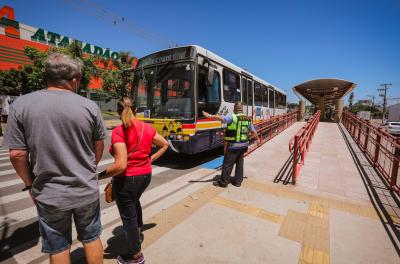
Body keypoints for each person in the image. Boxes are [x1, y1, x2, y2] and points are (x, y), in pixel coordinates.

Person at [3, 53, 106, 263]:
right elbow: (99, 145)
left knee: (58, 247)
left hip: (49, 194)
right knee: (92, 238)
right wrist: (87, 169)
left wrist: (30, 185)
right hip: (85, 190)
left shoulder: (21, 105)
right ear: (75, 79)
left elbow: (17, 154)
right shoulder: (90, 107)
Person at [98, 97, 169, 264]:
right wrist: (149, 160)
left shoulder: (119, 132)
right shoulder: (147, 128)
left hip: (127, 179)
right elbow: (165, 144)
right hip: (145, 176)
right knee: (134, 202)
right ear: (136, 110)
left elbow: (120, 166)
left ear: (117, 112)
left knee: (128, 216)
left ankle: (136, 256)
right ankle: (136, 230)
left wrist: (98, 176)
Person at [203, 102, 260, 187]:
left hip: (233, 146)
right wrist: (257, 139)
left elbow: (221, 118)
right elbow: (253, 132)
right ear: (242, 109)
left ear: (235, 109)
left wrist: (210, 116)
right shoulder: (247, 119)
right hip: (243, 145)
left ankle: (223, 182)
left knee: (227, 164)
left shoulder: (232, 117)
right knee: (240, 163)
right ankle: (238, 182)